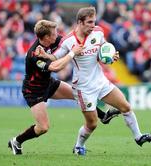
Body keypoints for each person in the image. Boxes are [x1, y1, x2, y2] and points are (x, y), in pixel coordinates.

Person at [44, 7, 151, 155]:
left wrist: (111, 56)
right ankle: (78, 146)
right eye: (89, 22)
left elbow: (103, 49)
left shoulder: (98, 32)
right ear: (80, 22)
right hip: (83, 88)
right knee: (92, 124)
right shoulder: (69, 41)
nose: (92, 25)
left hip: (100, 81)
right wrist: (44, 55)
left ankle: (138, 136)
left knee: (126, 106)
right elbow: (56, 58)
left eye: (94, 22)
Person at [8, 20, 120, 155]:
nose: (58, 35)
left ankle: (103, 116)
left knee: (77, 94)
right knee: (43, 127)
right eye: (55, 33)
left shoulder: (55, 40)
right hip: (33, 90)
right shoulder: (35, 54)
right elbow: (55, 67)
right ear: (47, 37)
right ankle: (17, 141)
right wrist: (72, 53)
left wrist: (106, 54)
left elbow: (76, 42)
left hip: (49, 83)